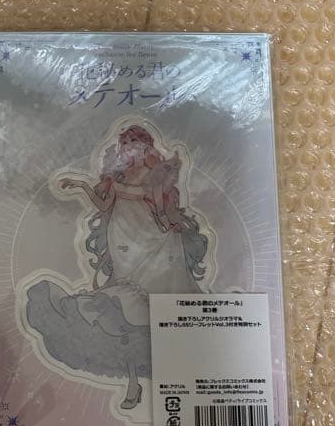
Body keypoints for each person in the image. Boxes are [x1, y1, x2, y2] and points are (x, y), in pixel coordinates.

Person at [18, 125, 210, 409]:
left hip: (152, 240)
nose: (127, 149)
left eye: (133, 144)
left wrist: (166, 220)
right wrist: (83, 185)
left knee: (152, 304)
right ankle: (132, 380)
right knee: (121, 312)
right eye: (125, 144)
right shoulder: (118, 175)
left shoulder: (153, 173)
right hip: (121, 239)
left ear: (146, 147)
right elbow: (103, 203)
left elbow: (152, 199)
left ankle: (177, 375)